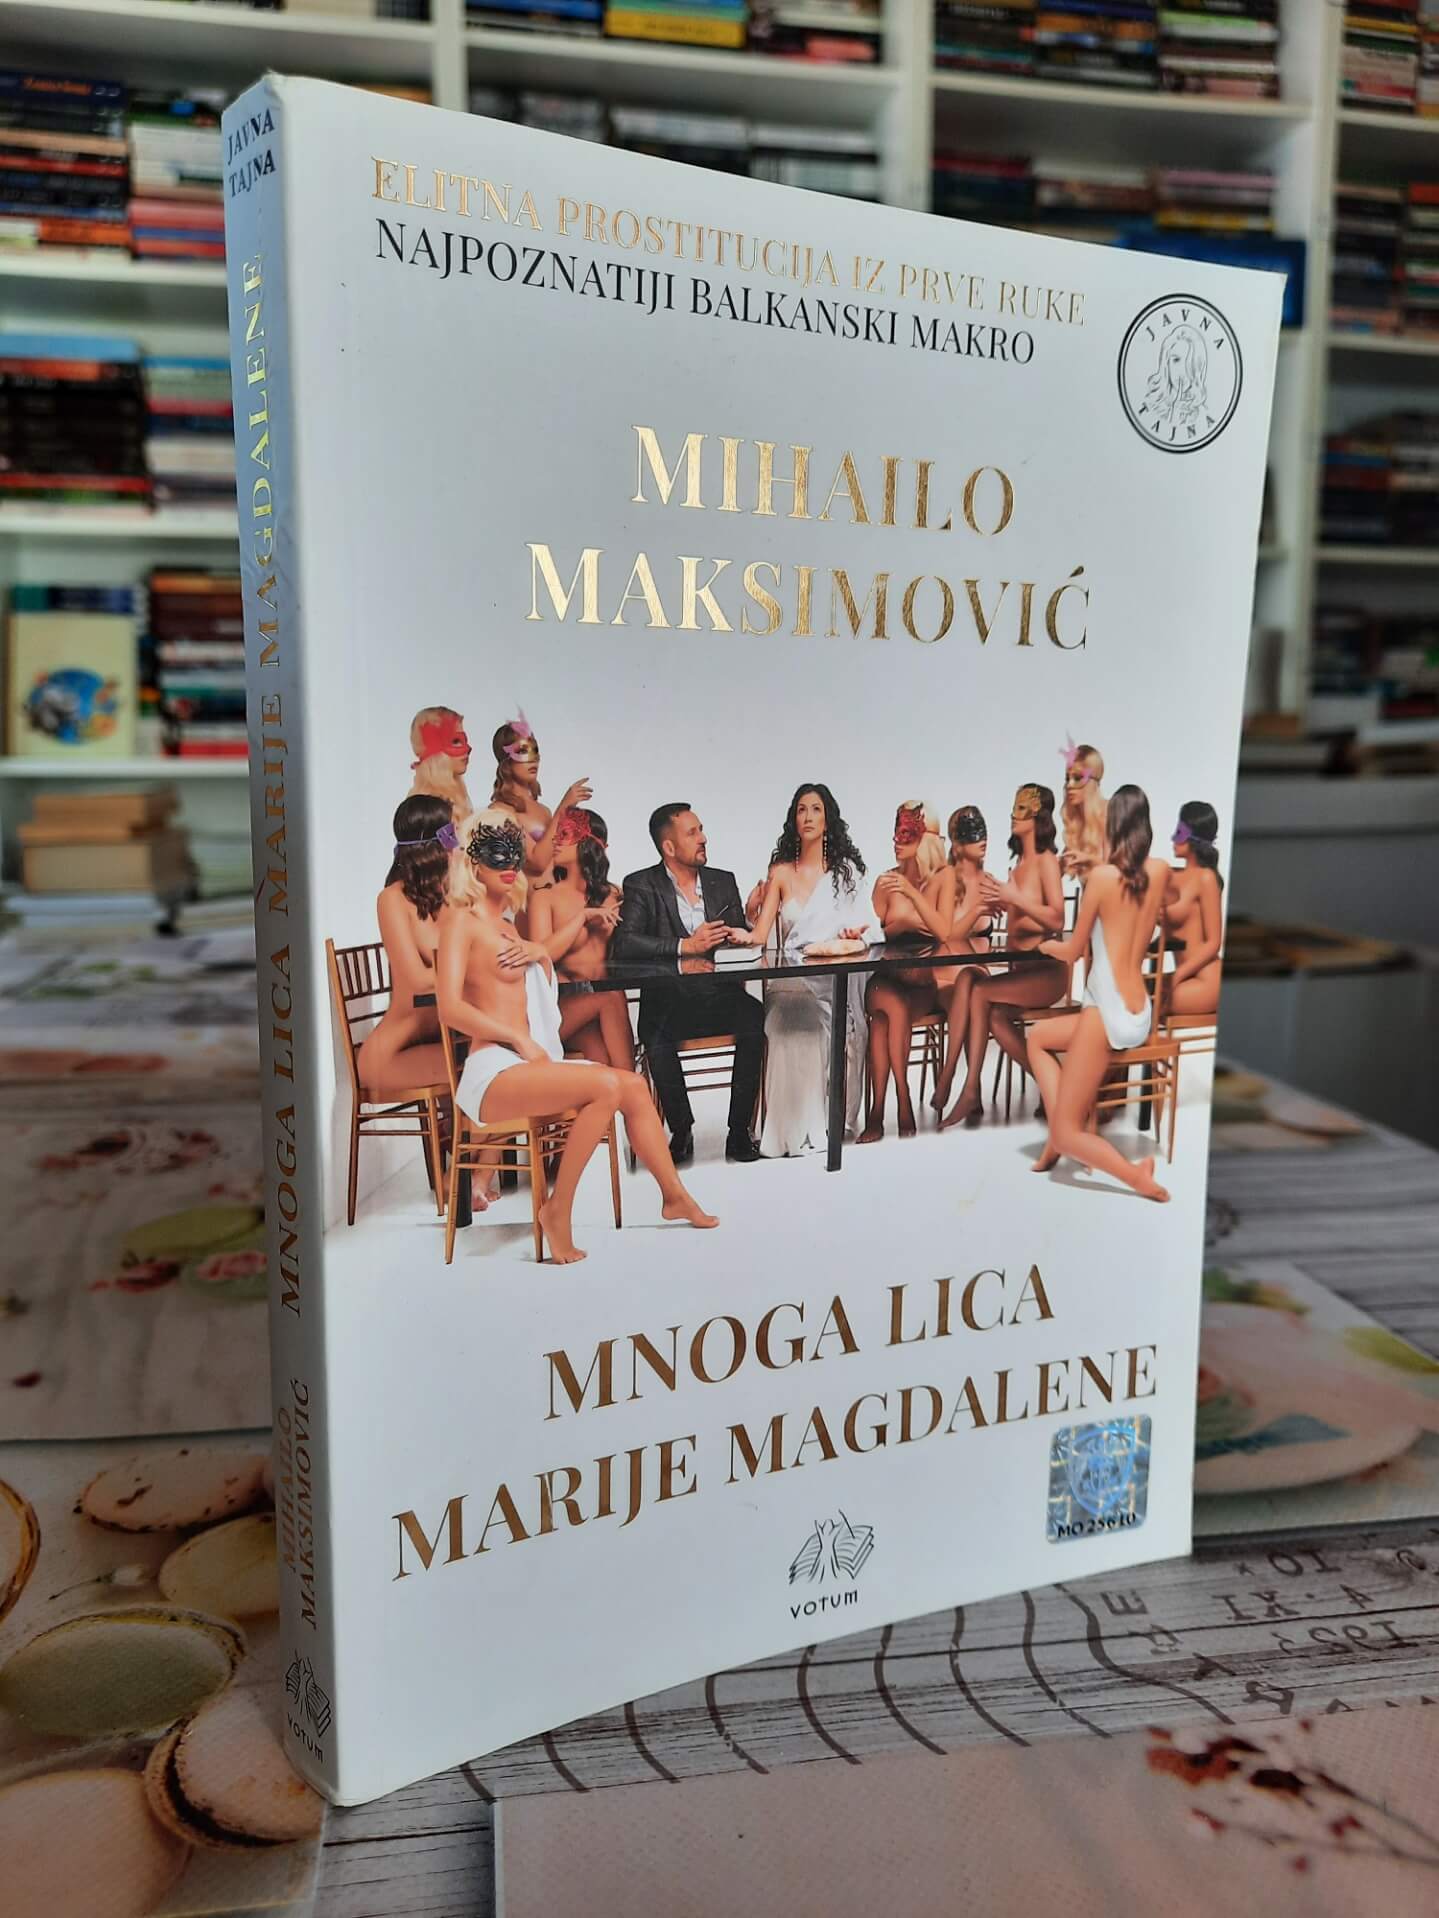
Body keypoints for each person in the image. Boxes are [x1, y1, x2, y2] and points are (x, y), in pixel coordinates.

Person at [437, 809, 716, 1262]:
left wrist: (538, 954)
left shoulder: (506, 924)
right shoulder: (460, 921)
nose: (509, 863)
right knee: (606, 1085)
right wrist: (517, 1038)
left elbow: (537, 976)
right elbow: (449, 1008)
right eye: (494, 853)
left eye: (513, 852)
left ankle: (674, 1196)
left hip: (526, 1065)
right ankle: (557, 1211)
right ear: (472, 861)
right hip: (493, 1073)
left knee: (631, 1085)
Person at [1025, 785, 1172, 1203]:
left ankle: (1136, 1176)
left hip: (1105, 1011)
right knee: (1038, 1037)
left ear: (1113, 826)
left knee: (1067, 1132)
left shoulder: (1101, 880)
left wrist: (1046, 947)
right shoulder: (1160, 871)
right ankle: (1059, 1133)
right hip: (1138, 1012)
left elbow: (1073, 951)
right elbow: (1148, 905)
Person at [612, 803, 766, 1165]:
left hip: (718, 996)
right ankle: (681, 1130)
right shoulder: (641, 884)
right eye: (692, 833)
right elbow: (626, 942)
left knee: (754, 1017)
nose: (703, 838)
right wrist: (685, 947)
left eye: (701, 830)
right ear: (669, 847)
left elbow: (737, 938)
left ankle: (738, 1131)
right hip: (669, 999)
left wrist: (747, 923)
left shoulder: (722, 881)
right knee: (654, 1031)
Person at [745, 784, 869, 1157]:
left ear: (828, 819)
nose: (808, 817)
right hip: (790, 982)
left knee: (835, 1028)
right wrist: (746, 917)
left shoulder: (846, 874)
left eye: (816, 809)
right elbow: (758, 935)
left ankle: (829, 1122)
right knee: (788, 1030)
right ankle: (786, 1134)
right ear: (794, 819)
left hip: (834, 979)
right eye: (801, 809)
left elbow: (865, 927)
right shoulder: (780, 873)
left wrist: (853, 935)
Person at [939, 783, 1067, 1130]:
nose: (1013, 814)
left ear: (1038, 818)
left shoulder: (1046, 861)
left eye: (1022, 809)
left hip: (1046, 973)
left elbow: (1057, 919)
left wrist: (1015, 899)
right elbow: (1022, 923)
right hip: (1020, 971)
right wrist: (1002, 905)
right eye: (1014, 807)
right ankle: (1054, 1084)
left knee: (980, 991)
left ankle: (970, 1090)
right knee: (994, 1016)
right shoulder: (1018, 866)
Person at [857, 803, 956, 1143]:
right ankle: (902, 1098)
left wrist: (911, 893)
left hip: (921, 985)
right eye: (896, 834)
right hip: (884, 980)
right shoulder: (885, 880)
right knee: (890, 1005)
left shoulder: (943, 878)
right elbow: (873, 933)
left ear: (926, 839)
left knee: (884, 1022)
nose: (897, 842)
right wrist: (897, 924)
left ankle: (877, 1113)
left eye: (907, 835)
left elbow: (943, 931)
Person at [526, 807, 635, 1071]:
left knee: (602, 1059)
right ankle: (636, 1089)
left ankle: (629, 1091)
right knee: (611, 997)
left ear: (588, 842)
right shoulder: (545, 897)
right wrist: (582, 918)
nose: (555, 840)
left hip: (603, 1010)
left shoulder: (615, 896)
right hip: (560, 1008)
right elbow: (541, 956)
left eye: (564, 834)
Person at [929, 804, 996, 1116]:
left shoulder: (991, 882)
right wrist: (977, 911)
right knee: (967, 997)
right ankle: (971, 1090)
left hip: (979, 977)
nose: (982, 839)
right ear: (956, 843)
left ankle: (951, 1073)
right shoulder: (944, 880)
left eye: (983, 831)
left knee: (972, 990)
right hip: (943, 979)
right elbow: (947, 935)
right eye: (972, 834)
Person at [489, 711, 592, 880]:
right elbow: (538, 862)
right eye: (522, 751)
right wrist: (564, 807)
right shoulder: (499, 812)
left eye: (535, 750)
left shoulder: (544, 811)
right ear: (506, 759)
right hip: (526, 896)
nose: (533, 759)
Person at [1162, 800, 1225, 1017]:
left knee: (1140, 1007)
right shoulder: (1171, 876)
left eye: (1179, 833)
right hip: (1182, 978)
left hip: (1206, 981)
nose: (1173, 838)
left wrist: (1177, 975)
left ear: (1194, 839)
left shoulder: (1205, 878)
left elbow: (1214, 943)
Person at [408, 707, 473, 820]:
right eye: (456, 741)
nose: (468, 748)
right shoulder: (428, 810)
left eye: (465, 740)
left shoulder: (456, 801)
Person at [1058, 740, 1106, 882]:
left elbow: (1124, 874)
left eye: (1078, 778)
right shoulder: (1076, 824)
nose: (1069, 785)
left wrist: (1090, 860)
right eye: (1067, 778)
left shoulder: (1111, 814)